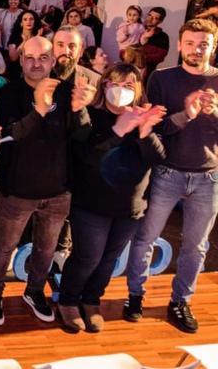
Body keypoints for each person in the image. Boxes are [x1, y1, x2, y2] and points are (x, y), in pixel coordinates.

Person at [0, 36, 90, 327]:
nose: (35, 63)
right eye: (29, 57)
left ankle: (34, 291)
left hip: (58, 192)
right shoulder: (8, 93)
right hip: (17, 191)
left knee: (45, 249)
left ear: (53, 61)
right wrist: (39, 108)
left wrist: (80, 109)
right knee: (3, 247)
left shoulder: (67, 91)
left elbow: (82, 138)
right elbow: (10, 136)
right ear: (21, 60)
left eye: (42, 57)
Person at [124, 19, 218, 334]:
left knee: (196, 245)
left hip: (209, 177)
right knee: (145, 238)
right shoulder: (162, 79)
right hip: (167, 172)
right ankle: (135, 295)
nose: (196, 49)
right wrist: (186, 115)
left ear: (213, 47)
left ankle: (180, 301)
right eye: (190, 43)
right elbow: (154, 129)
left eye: (203, 43)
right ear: (179, 45)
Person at [57, 63, 165, 333]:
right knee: (88, 257)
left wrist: (144, 131)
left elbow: (159, 157)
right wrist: (118, 130)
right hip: (92, 204)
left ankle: (92, 299)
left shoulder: (143, 116)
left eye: (128, 86)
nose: (121, 91)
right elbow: (86, 155)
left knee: (108, 259)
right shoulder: (92, 116)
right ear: (104, 85)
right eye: (115, 83)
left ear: (138, 90)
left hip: (130, 207)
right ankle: (68, 300)